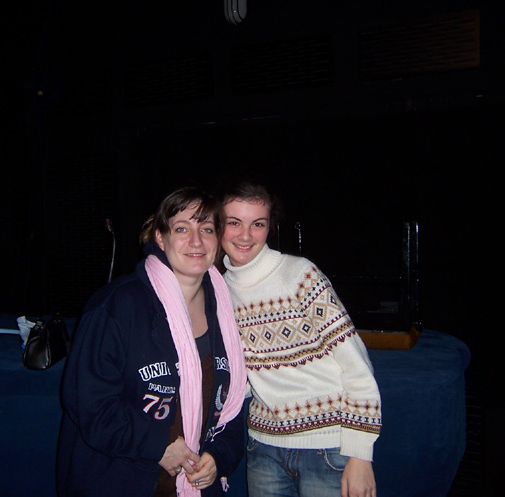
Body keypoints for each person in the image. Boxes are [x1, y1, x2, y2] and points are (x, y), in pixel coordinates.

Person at [56, 186, 247, 497]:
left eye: (207, 229)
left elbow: (232, 405)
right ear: (160, 237)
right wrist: (159, 445)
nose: (196, 241)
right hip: (120, 482)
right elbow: (90, 406)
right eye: (182, 229)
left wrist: (218, 456)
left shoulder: (226, 311)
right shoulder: (116, 306)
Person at [216, 181, 382, 497]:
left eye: (258, 224)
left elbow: (357, 365)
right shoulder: (220, 290)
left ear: (269, 227)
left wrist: (361, 454)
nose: (246, 235)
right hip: (263, 447)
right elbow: (247, 373)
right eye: (234, 223)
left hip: (328, 448)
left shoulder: (299, 274)